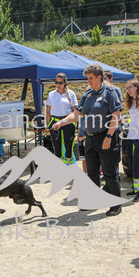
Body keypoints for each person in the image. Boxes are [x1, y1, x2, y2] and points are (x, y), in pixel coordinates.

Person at [52, 63, 123, 216]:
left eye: (91, 78)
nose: (89, 81)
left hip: (106, 136)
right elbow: (76, 114)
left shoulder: (109, 93)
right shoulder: (88, 94)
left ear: (99, 77)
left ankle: (116, 205)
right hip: (90, 138)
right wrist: (61, 122)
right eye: (87, 78)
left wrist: (109, 136)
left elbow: (116, 115)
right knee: (91, 172)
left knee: (109, 173)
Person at [46, 73, 78, 164]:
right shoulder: (51, 94)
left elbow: (75, 110)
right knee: (57, 147)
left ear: (65, 83)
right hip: (55, 122)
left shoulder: (71, 94)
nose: (58, 85)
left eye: (60, 83)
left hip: (68, 122)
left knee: (69, 146)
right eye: (56, 82)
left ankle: (69, 166)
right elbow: (48, 111)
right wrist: (48, 124)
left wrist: (75, 123)